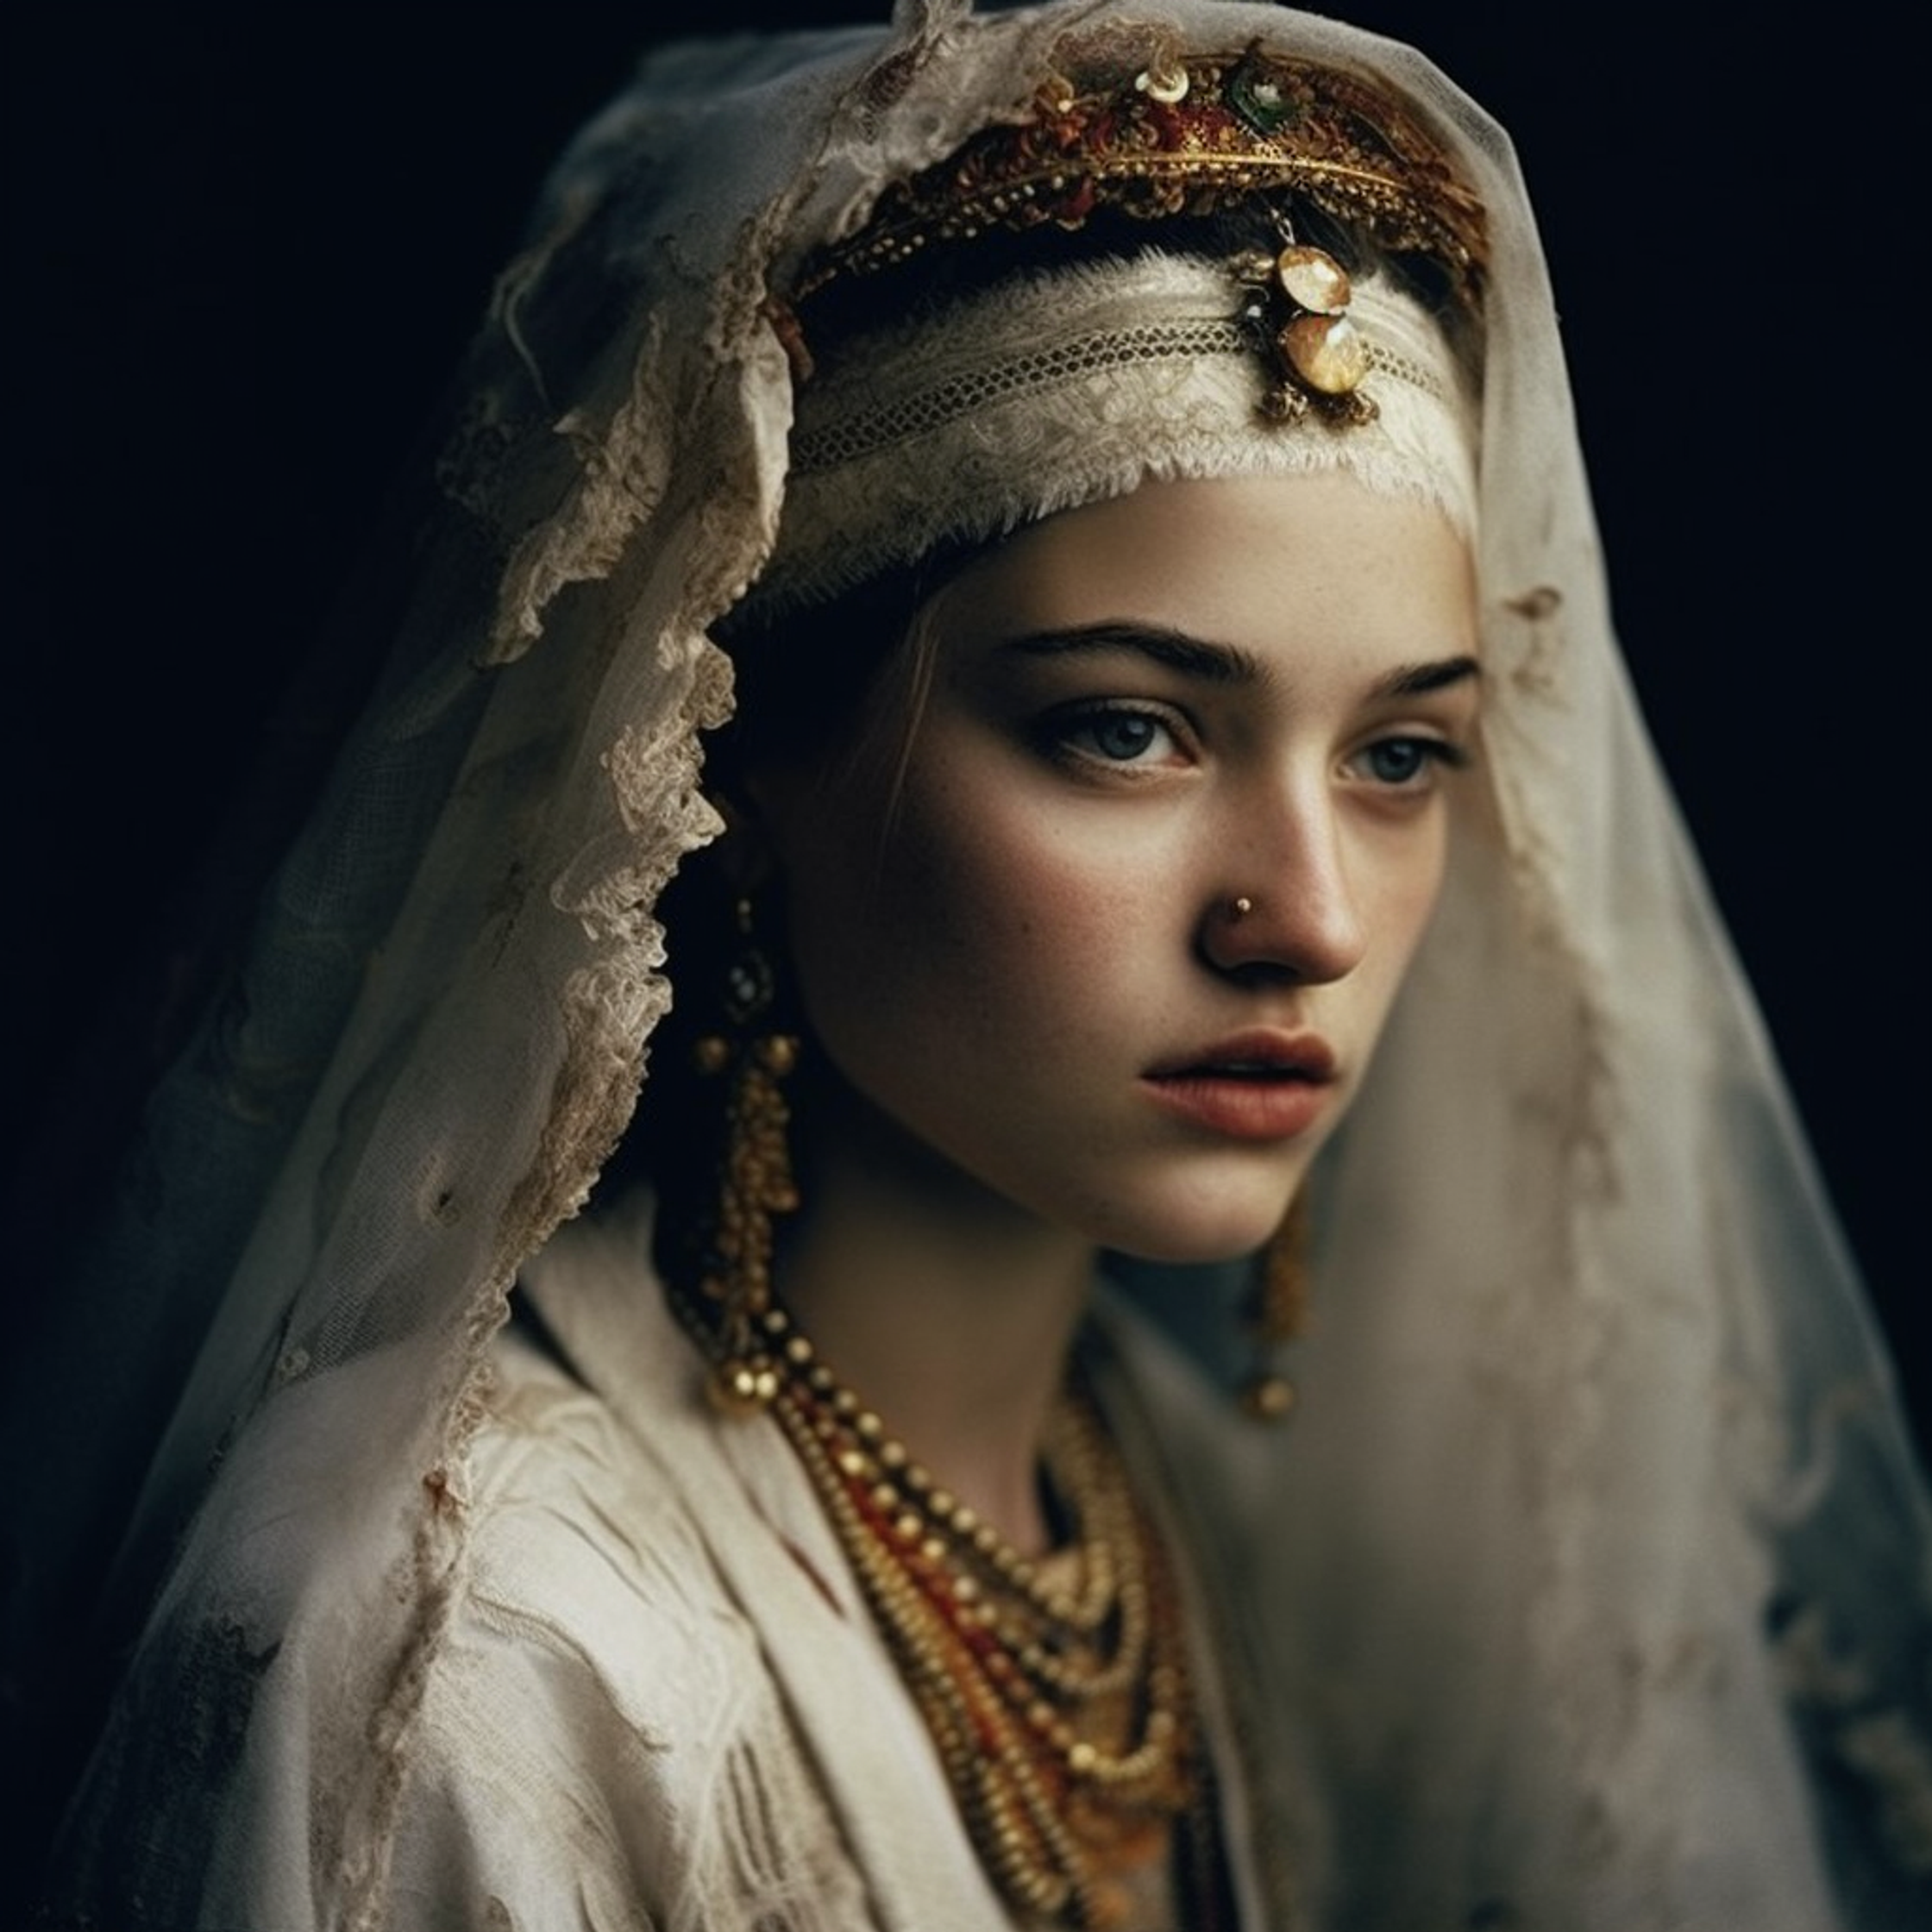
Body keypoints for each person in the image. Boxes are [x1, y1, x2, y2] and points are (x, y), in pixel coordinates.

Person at [13, 3, 1929, 1926]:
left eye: (1398, 756)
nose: (1312, 918)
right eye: (1125, 729)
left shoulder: (1193, 1517)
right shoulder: (479, 1643)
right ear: (737, 752)